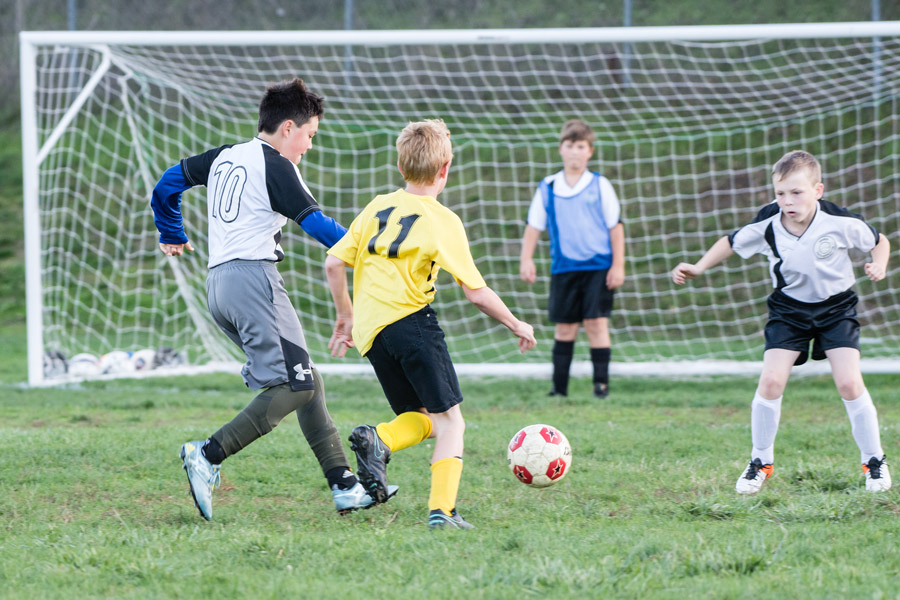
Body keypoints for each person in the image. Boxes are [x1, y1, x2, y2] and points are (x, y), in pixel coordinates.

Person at [150, 77, 396, 520]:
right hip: (253, 281)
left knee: (308, 380)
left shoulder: (224, 156)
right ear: (288, 128)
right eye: (309, 136)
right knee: (294, 384)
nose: (308, 147)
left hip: (219, 285)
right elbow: (319, 227)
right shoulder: (277, 165)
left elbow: (167, 184)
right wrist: (377, 257)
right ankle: (207, 454)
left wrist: (171, 230)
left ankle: (344, 485)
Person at [324, 119, 537, 529]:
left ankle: (379, 440)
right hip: (413, 324)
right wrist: (515, 323)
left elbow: (334, 262)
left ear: (401, 167)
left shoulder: (376, 206)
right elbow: (476, 292)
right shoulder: (442, 220)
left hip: (373, 335)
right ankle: (442, 510)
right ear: (445, 169)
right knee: (452, 421)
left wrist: (346, 318)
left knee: (425, 419)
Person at [672, 150, 891, 495]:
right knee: (771, 381)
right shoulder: (769, 223)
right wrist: (699, 266)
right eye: (780, 193)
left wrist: (878, 264)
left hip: (837, 309)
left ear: (817, 190)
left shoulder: (840, 221)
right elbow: (730, 242)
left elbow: (880, 242)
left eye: (796, 192)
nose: (787, 201)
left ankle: (874, 462)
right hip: (789, 311)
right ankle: (760, 462)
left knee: (849, 383)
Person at [519, 119, 626, 399]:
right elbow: (534, 226)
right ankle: (559, 389)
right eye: (570, 146)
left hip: (598, 267)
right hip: (564, 268)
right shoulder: (549, 186)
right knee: (565, 328)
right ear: (561, 149)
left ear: (589, 151)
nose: (575, 151)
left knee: (596, 325)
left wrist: (618, 265)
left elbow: (616, 227)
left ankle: (601, 387)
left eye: (581, 146)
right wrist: (526, 259)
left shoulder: (600, 185)